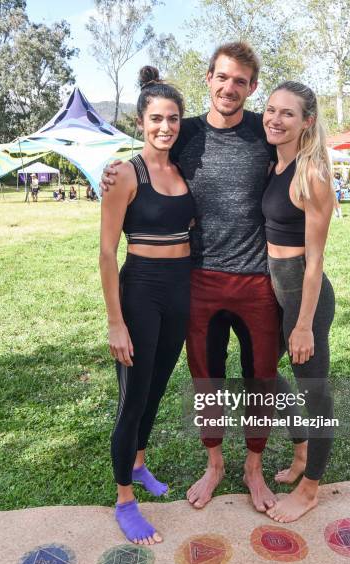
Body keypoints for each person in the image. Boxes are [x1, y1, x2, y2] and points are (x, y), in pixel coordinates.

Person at [101, 41, 309, 514]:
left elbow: (305, 156)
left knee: (260, 378)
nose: (230, 88)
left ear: (252, 87)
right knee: (205, 379)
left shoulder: (266, 131)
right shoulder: (185, 132)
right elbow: (146, 154)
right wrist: (109, 171)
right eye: (222, 77)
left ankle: (253, 468)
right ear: (209, 79)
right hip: (198, 279)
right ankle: (214, 464)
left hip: (258, 280)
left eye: (241, 81)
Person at [99, 66, 194, 546]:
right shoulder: (123, 174)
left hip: (181, 291)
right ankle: (123, 500)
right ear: (141, 121)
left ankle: (138, 465)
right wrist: (116, 322)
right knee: (132, 398)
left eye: (173, 118)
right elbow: (106, 252)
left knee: (156, 388)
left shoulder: (182, 168)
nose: (166, 127)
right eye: (156, 118)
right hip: (139, 291)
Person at [262, 81, 335, 522]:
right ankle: (302, 448)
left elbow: (314, 260)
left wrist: (303, 323)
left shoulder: (312, 174)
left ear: (307, 121)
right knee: (262, 374)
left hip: (305, 297)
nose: (275, 119)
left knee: (315, 391)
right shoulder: (274, 165)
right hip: (275, 292)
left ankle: (310, 489)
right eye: (271, 110)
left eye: (288, 113)